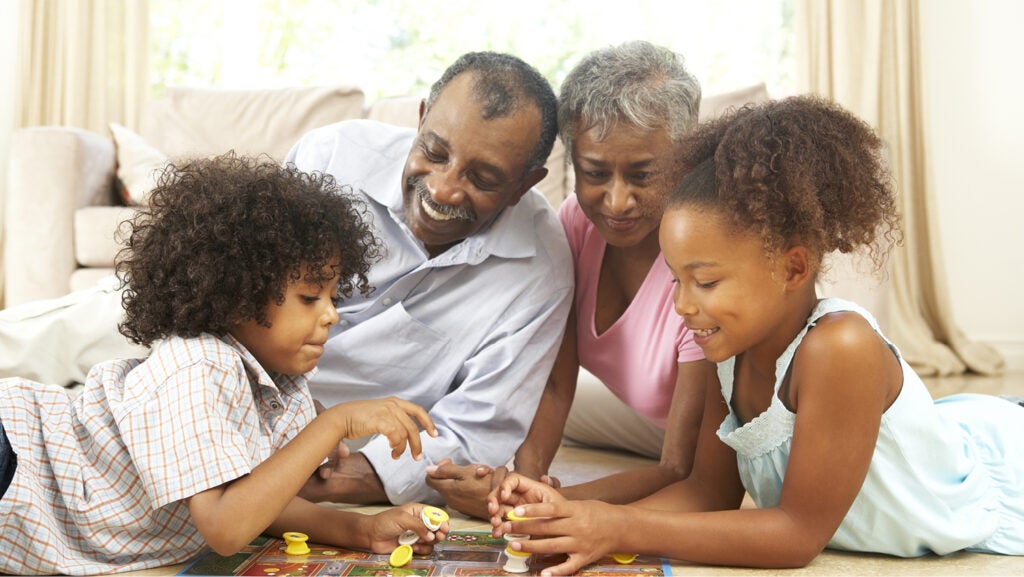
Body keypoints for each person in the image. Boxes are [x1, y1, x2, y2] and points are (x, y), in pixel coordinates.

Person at [0, 51, 574, 506]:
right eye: (435, 152)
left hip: (307, 418)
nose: (445, 189)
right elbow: (235, 280)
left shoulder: (540, 268)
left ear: (527, 182)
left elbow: (477, 429)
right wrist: (202, 403)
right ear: (420, 118)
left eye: (483, 177)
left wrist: (335, 473)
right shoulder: (335, 153)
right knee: (46, 349)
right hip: (204, 344)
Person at [486, 96, 1024, 574]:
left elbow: (795, 535)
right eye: (676, 279)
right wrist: (572, 515)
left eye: (707, 281)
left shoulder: (842, 348)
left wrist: (619, 528)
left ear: (793, 269)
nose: (681, 305)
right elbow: (707, 492)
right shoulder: (728, 353)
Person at [0, 155, 447, 575]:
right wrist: (334, 424)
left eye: (333, 297)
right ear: (238, 296)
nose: (331, 314)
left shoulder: (280, 385)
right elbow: (226, 527)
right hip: (20, 461)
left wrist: (361, 529)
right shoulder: (201, 367)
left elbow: (253, 503)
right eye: (310, 297)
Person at [427, 41, 714, 518]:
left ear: (684, 160)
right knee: (501, 399)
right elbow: (556, 385)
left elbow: (679, 470)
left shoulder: (703, 258)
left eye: (642, 175)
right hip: (638, 413)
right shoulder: (577, 225)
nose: (617, 202)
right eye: (595, 172)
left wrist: (542, 503)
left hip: (708, 433)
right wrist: (526, 476)